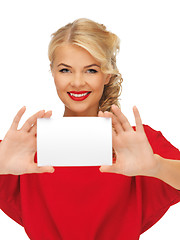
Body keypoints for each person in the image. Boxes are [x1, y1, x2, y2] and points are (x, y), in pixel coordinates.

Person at [0, 18, 180, 240]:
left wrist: (156, 166)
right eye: (65, 70)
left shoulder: (137, 142)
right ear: (52, 72)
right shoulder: (25, 145)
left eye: (91, 70)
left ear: (108, 75)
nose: (77, 82)